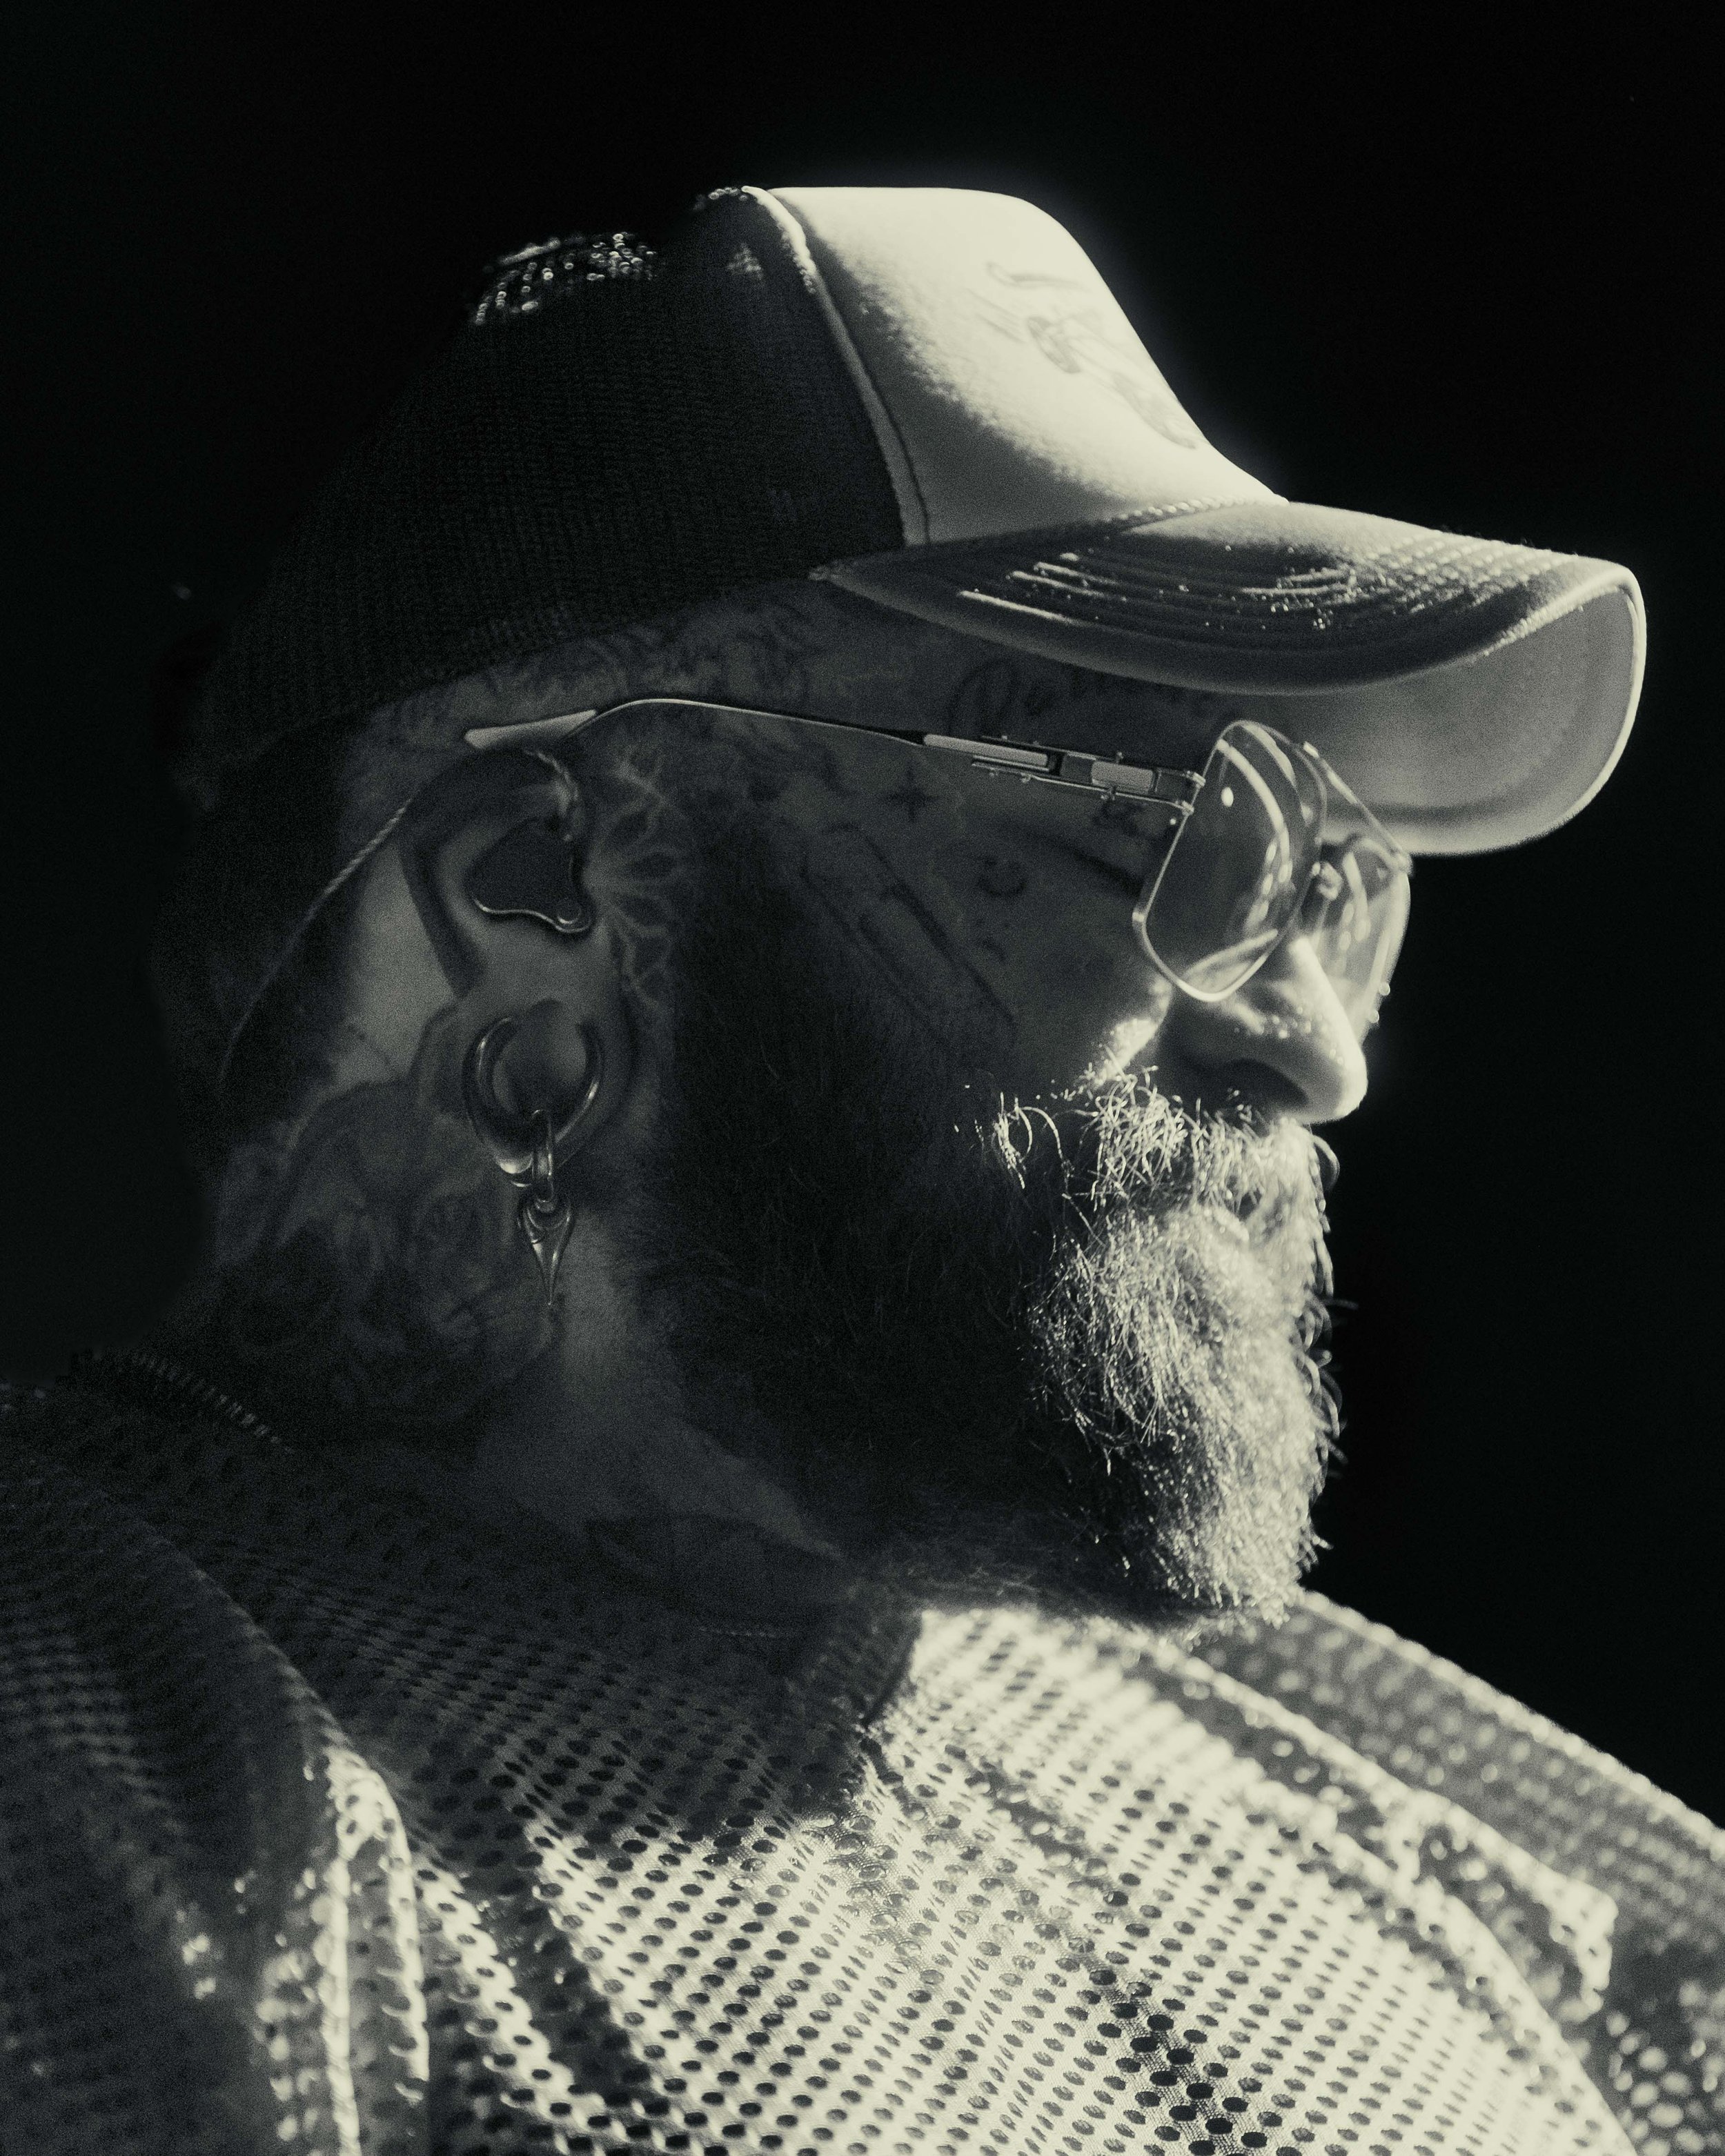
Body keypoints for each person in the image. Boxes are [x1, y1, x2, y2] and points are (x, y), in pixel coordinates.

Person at [2, 184, 1717, 2156]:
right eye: (1173, 845)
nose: (1311, 1052)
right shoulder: (110, 1792)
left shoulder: (1479, 1867)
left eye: (1329, 891)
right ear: (537, 892)